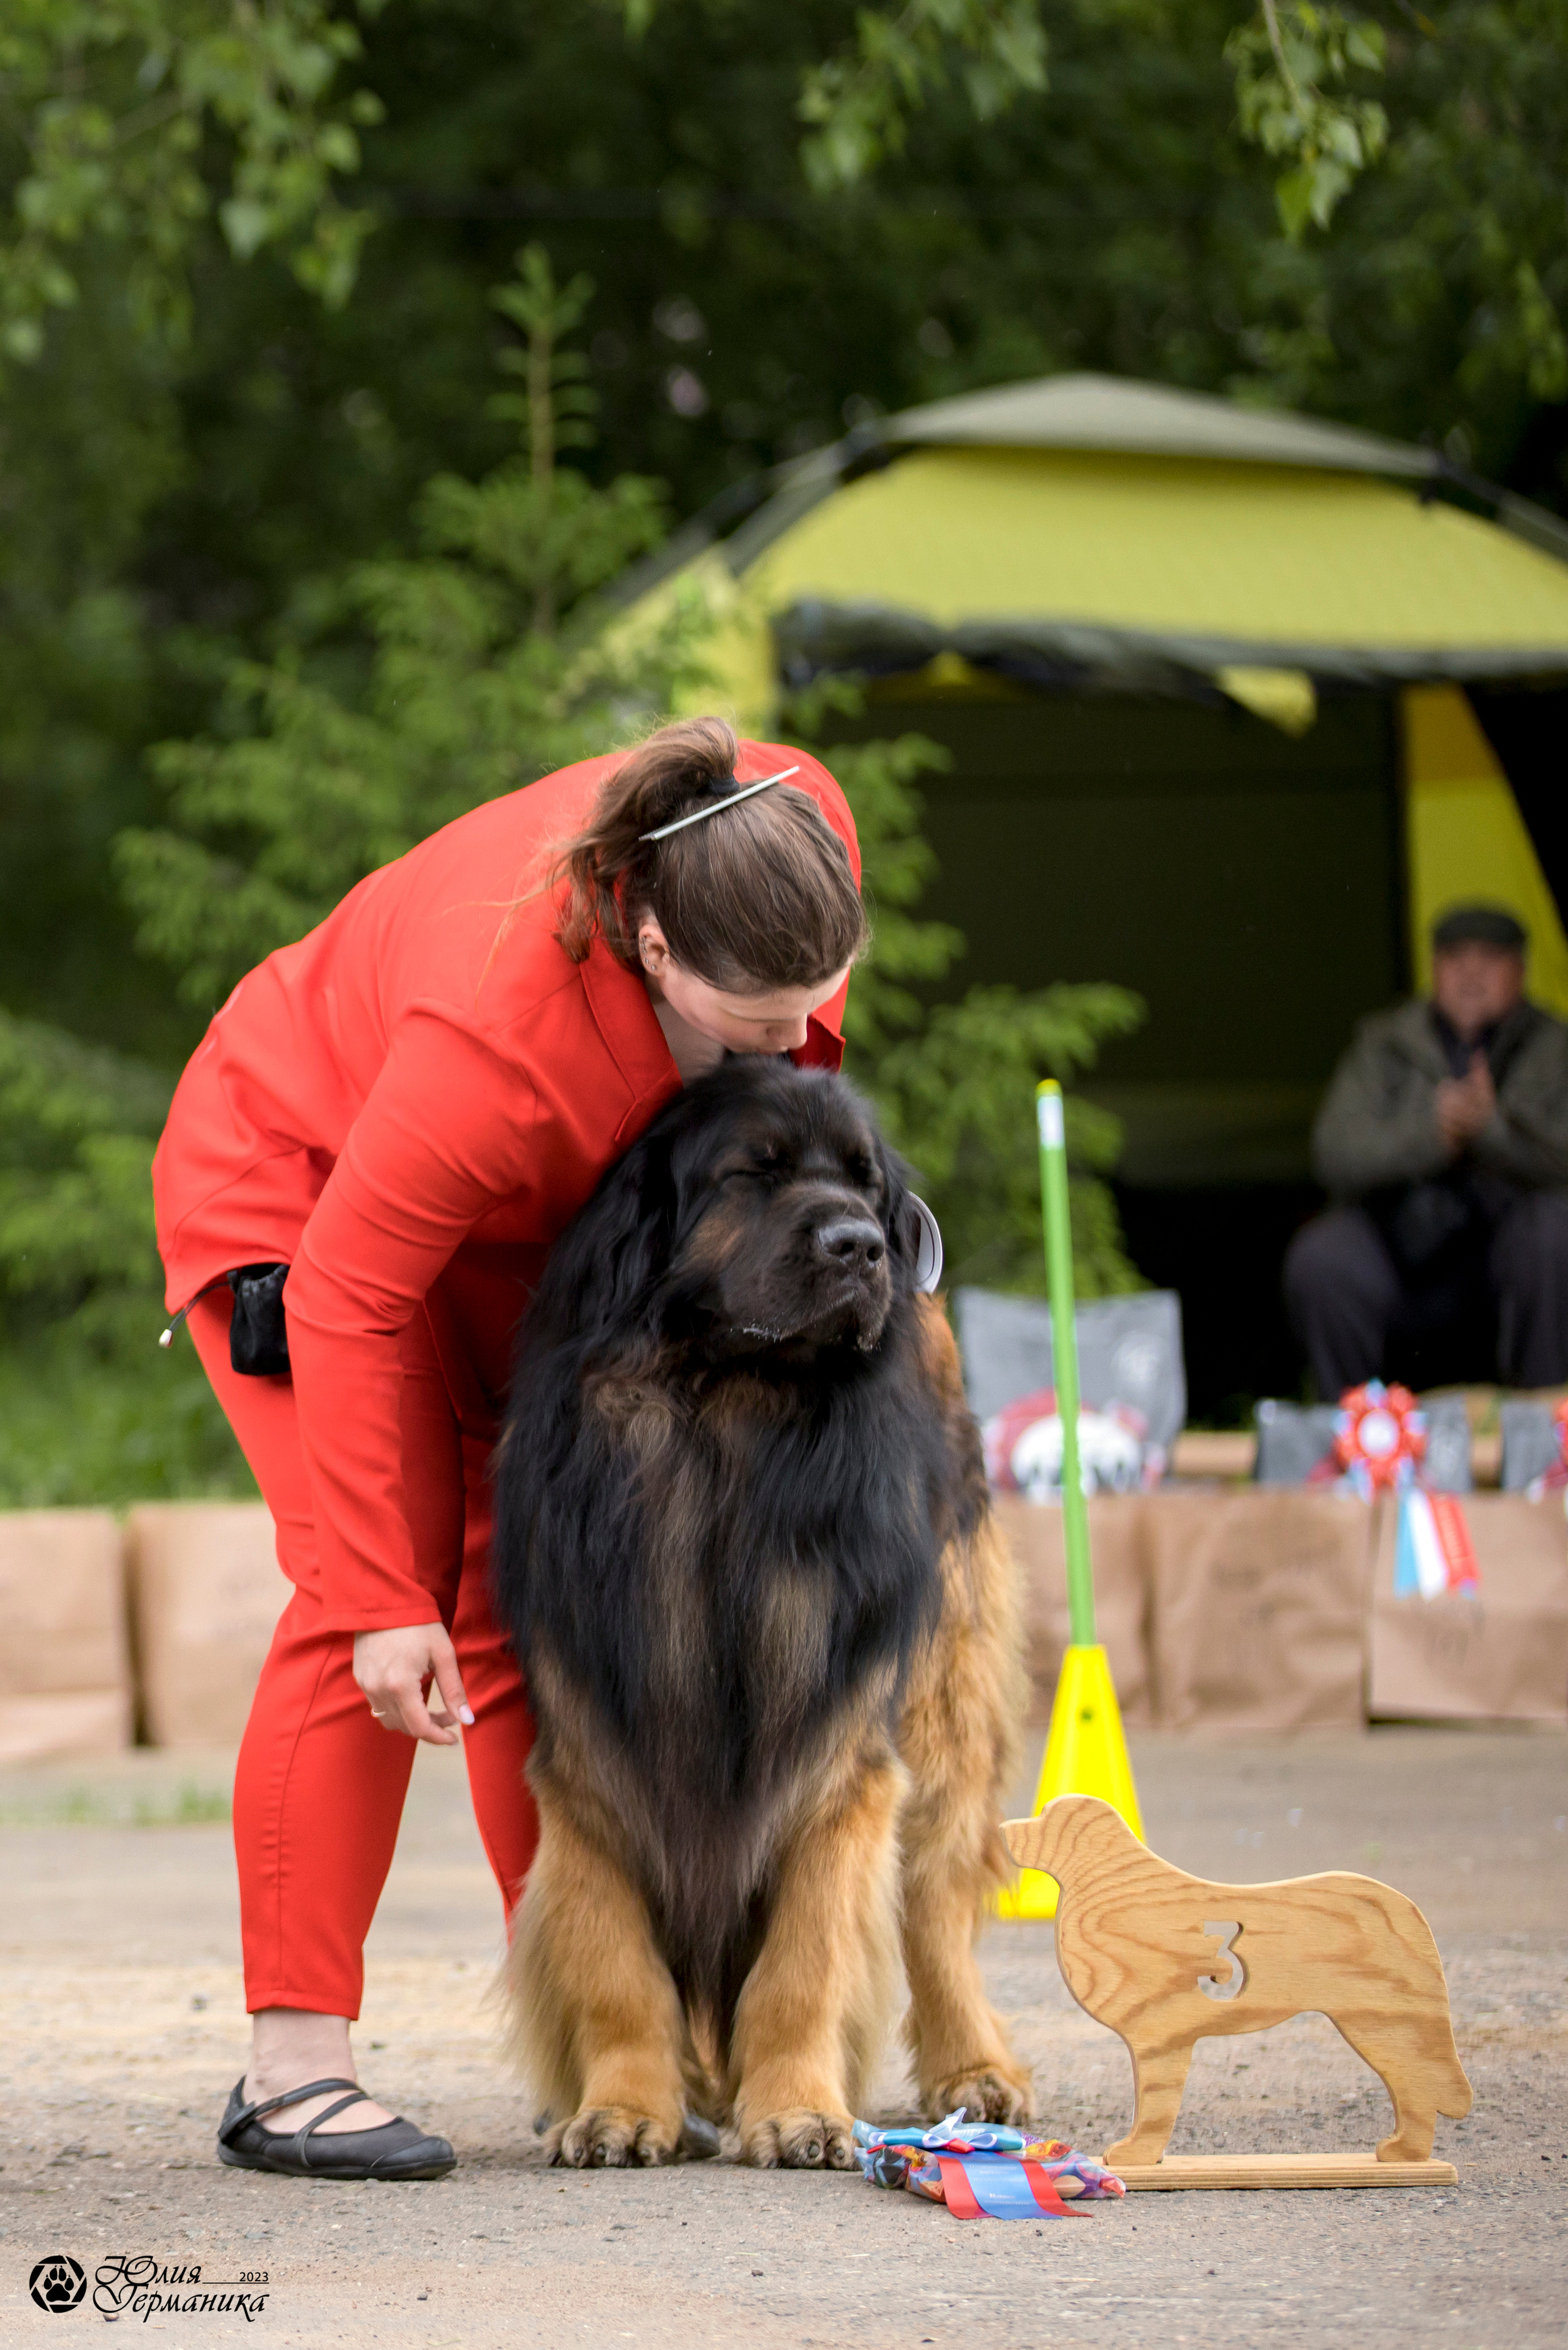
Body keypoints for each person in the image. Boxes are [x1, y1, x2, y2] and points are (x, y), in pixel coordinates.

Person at [153, 715, 866, 2180]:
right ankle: (292, 2071)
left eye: (811, 1009)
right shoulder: (492, 1046)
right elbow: (348, 1295)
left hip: (506, 1228)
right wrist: (380, 1598)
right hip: (301, 1188)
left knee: (523, 1602)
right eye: (754, 1027)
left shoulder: (787, 826)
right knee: (372, 1591)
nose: (789, 1050)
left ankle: (608, 2041)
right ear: (652, 946)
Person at [1284, 902, 1568, 1398]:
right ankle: (1355, 1424)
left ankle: (1547, 1420)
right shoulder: (1385, 1045)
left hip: (1510, 1261)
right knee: (1323, 1257)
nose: (1471, 975)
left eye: (1489, 958)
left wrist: (1490, 1130)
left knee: (1554, 1231)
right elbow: (1335, 1154)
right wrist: (1433, 1135)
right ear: (1433, 967)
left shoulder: (1554, 1048)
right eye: (1456, 958)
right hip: (1404, 1254)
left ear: (1520, 970)